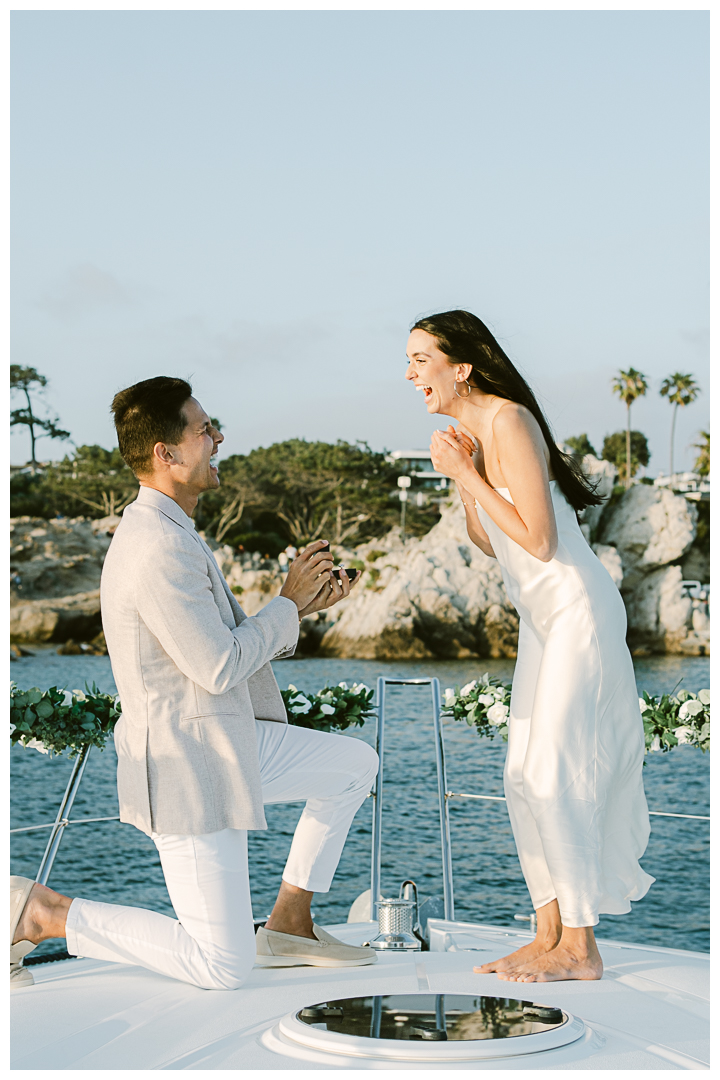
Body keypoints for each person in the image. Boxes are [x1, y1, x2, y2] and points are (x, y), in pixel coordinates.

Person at [11, 376, 378, 989]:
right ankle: (42, 913)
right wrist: (284, 602)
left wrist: (299, 608)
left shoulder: (175, 531)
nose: (218, 438)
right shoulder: (156, 544)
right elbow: (216, 665)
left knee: (352, 765)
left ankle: (290, 920)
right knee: (222, 968)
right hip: (186, 762)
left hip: (225, 740)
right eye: (204, 429)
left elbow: (219, 650)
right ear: (166, 453)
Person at [406, 310, 653, 984]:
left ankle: (581, 945)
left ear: (462, 366)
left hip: (576, 610)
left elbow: (541, 541)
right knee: (521, 777)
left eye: (421, 358)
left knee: (553, 773)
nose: (409, 373)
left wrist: (468, 470)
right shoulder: (481, 433)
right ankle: (548, 934)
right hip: (541, 620)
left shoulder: (510, 419)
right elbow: (494, 539)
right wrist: (466, 475)